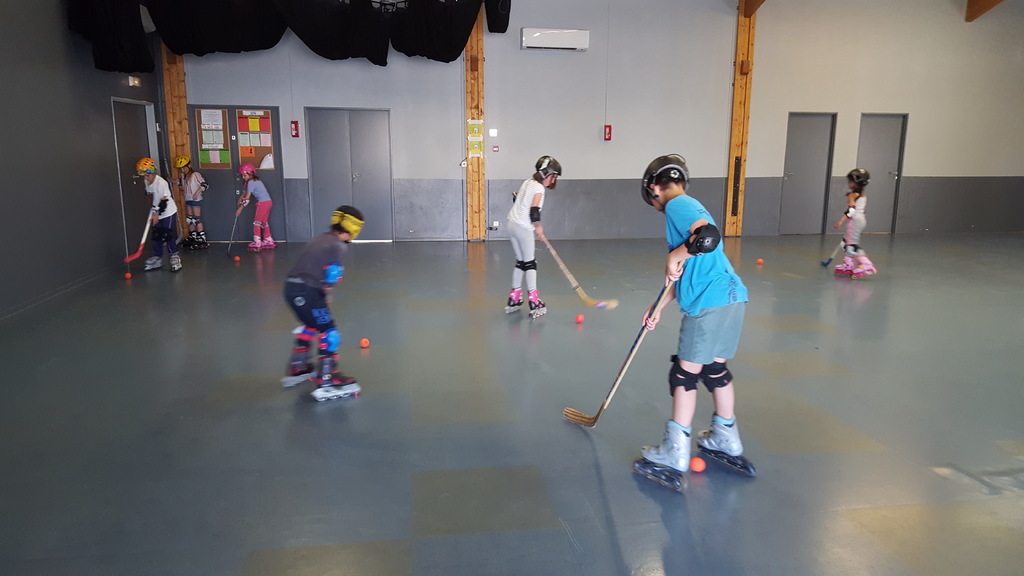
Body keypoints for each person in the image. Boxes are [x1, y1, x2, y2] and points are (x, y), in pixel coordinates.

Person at [638, 154, 749, 472]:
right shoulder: (690, 208)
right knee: (715, 370)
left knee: (683, 375)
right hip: (732, 296)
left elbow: (708, 237)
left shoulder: (677, 205)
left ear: (654, 189)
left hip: (708, 301)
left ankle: (675, 452)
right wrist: (657, 307)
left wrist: (674, 255)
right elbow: (688, 268)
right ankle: (726, 437)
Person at [281, 205, 365, 402]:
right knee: (329, 333)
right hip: (308, 291)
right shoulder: (338, 245)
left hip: (290, 288)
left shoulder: (320, 238)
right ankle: (327, 378)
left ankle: (298, 366)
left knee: (310, 325)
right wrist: (325, 292)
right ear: (353, 228)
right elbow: (332, 272)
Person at [504, 155, 561, 319]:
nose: (553, 180)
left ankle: (514, 297)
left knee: (521, 262)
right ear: (546, 174)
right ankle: (534, 301)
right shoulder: (539, 188)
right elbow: (534, 210)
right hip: (523, 227)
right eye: (553, 176)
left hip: (512, 224)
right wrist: (538, 227)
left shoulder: (528, 182)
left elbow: (518, 199)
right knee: (530, 263)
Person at [137, 157, 182, 272]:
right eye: (144, 176)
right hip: (155, 211)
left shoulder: (161, 183)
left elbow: (164, 200)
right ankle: (157, 257)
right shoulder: (147, 181)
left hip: (168, 211)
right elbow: (150, 195)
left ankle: (174, 256)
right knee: (157, 234)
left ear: (153, 172)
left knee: (168, 234)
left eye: (148, 175)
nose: (146, 178)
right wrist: (153, 211)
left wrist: (157, 213)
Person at [833, 168, 877, 279]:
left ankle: (867, 265)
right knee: (845, 243)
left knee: (851, 246)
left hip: (855, 221)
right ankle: (848, 264)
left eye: (850, 181)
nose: (849, 183)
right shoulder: (862, 195)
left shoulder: (852, 195)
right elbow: (863, 210)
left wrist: (840, 221)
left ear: (856, 183)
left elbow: (851, 210)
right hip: (860, 221)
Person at [237, 163, 276, 252]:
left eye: (244, 175)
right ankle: (268, 239)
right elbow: (245, 194)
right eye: (242, 175)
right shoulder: (256, 181)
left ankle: (257, 242)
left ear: (251, 174)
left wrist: (240, 209)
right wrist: (241, 199)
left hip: (262, 203)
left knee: (257, 222)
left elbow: (247, 199)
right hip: (268, 202)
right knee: (264, 222)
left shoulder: (251, 183)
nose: (243, 177)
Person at [174, 155, 209, 250]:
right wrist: (172, 180)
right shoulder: (183, 176)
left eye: (184, 168)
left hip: (196, 200)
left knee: (196, 219)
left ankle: (201, 238)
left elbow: (204, 185)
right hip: (188, 199)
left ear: (188, 166)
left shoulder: (195, 175)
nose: (182, 170)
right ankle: (192, 236)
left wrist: (197, 193)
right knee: (189, 219)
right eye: (180, 169)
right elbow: (180, 183)